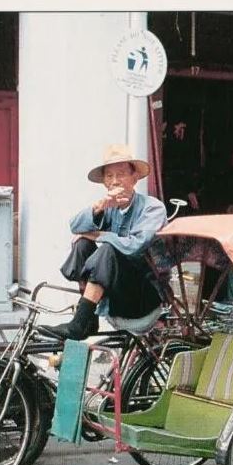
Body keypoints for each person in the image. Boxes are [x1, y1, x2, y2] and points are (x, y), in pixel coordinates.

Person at [42, 144, 168, 341]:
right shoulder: (109, 207)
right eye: (109, 176)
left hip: (144, 297)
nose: (115, 181)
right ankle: (88, 320)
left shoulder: (153, 208)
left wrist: (98, 235)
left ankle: (78, 325)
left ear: (135, 178)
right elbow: (75, 226)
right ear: (104, 183)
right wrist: (99, 207)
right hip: (119, 293)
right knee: (82, 245)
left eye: (121, 174)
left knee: (108, 249)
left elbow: (134, 246)